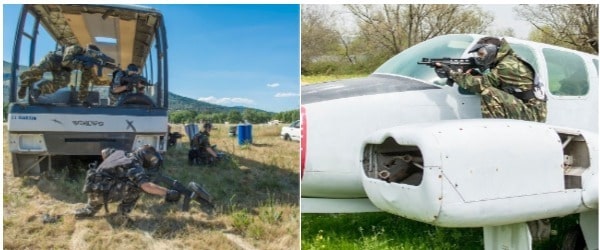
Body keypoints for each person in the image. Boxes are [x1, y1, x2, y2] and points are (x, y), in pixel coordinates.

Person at [436, 36, 547, 122]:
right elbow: (494, 82)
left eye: (481, 53)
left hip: (533, 114)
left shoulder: (508, 65)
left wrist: (451, 73)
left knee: (489, 92)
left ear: (491, 51)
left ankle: (495, 131)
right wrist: (472, 73)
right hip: (525, 107)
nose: (479, 57)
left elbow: (481, 85)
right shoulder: (506, 61)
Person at [74, 146, 182, 221]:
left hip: (93, 189)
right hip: (104, 193)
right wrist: (167, 193)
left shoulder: (120, 154)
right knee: (137, 187)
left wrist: (111, 169)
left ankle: (89, 209)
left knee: (118, 183)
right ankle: (122, 216)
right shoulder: (134, 164)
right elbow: (147, 186)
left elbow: (104, 152)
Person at [19, 44, 105, 103]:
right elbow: (65, 61)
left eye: (94, 55)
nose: (92, 56)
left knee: (62, 83)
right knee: (38, 72)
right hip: (53, 59)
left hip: (64, 70)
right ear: (87, 51)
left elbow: (84, 83)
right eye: (91, 53)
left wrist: (82, 100)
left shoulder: (87, 65)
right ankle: (24, 84)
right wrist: (79, 64)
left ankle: (39, 90)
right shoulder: (76, 49)